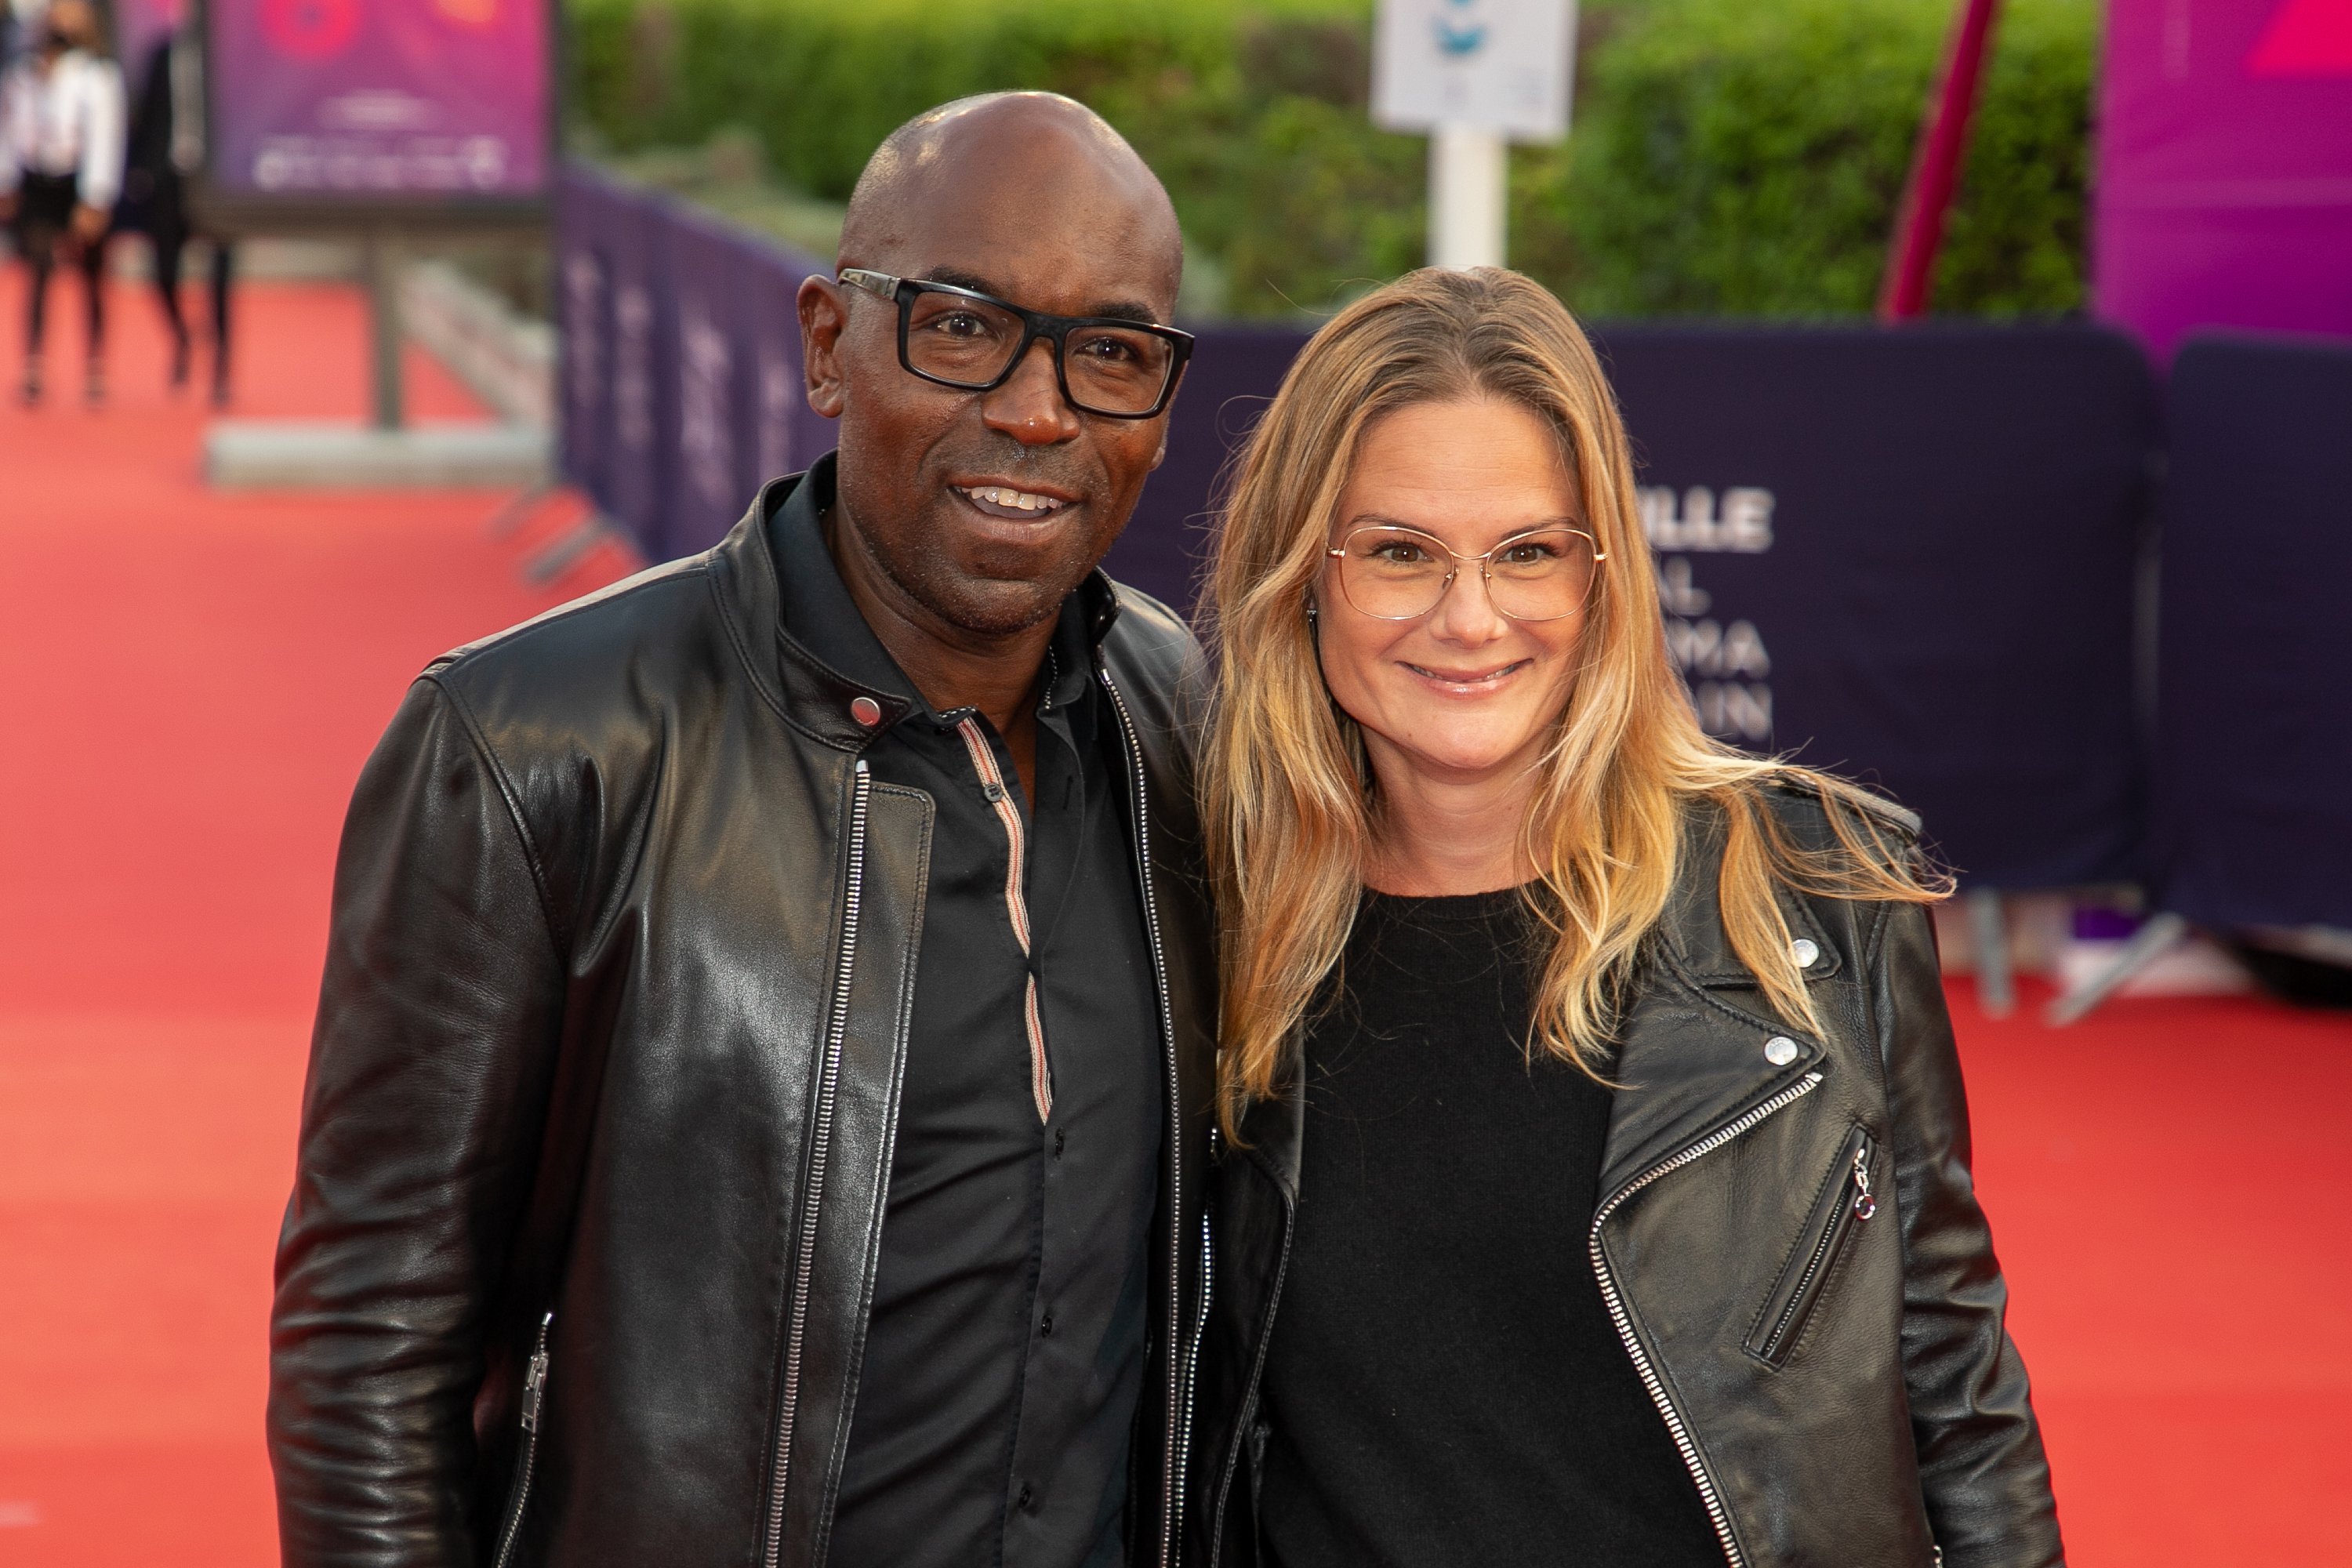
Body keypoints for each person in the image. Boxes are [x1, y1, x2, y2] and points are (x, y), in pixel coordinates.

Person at [268, 93, 1214, 1568]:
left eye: (1112, 352)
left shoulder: (1180, 717)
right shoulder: (535, 746)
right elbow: (371, 1344)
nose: (1039, 410)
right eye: (962, 326)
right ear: (830, 342)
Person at [1185, 268, 2063, 1568]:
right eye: (1398, 553)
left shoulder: (1815, 890)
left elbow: (1949, 1364)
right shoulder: (1205, 921)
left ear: (1602, 576)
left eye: (1528, 551)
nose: (1469, 618)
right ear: (1301, 578)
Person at [0, 0, 122, 405]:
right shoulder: (26, 74)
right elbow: (12, 129)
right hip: (37, 181)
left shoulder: (96, 75)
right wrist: (6, 183)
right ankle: (33, 360)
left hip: (78, 181)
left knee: (90, 276)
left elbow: (104, 138)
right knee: (37, 269)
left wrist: (96, 198)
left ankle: (94, 361)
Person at [118, 17, 232, 404]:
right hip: (169, 179)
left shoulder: (228, 54)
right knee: (162, 270)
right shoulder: (162, 53)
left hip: (216, 180)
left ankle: (222, 368)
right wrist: (138, 171)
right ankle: (183, 335)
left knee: (221, 277)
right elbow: (145, 116)